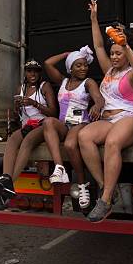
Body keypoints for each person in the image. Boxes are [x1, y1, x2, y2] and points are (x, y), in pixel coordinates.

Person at [78, 0, 133, 223]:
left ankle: (106, 200)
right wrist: (94, 19)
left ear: (127, 53)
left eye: (118, 53)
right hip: (108, 119)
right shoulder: (109, 71)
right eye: (113, 53)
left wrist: (125, 44)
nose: (114, 56)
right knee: (84, 136)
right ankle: (105, 186)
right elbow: (98, 46)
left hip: (129, 118)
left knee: (112, 143)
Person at [41, 46, 104, 209]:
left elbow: (98, 98)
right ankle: (59, 167)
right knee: (48, 122)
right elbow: (47, 64)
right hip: (64, 124)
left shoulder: (88, 82)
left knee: (70, 145)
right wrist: (65, 54)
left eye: (85, 65)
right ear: (70, 68)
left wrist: (96, 105)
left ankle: (82, 185)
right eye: (78, 65)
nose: (83, 68)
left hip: (80, 123)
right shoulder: (63, 81)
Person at [0, 60, 58, 206]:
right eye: (29, 71)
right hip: (27, 124)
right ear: (25, 72)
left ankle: (10, 183)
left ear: (40, 73)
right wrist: (17, 106)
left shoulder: (45, 86)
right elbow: (18, 115)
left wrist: (34, 104)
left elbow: (53, 112)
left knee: (27, 141)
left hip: (43, 125)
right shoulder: (21, 88)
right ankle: (5, 178)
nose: (32, 74)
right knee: (13, 139)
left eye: (36, 71)